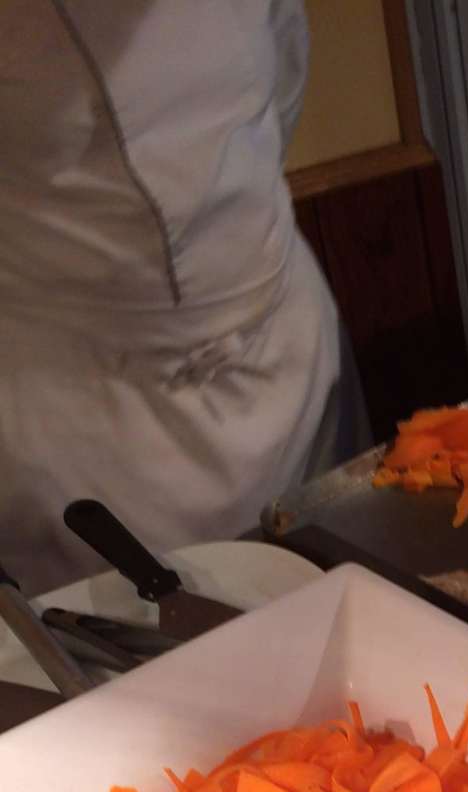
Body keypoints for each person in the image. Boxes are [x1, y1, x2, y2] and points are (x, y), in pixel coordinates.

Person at [0, 0, 368, 595]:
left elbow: (283, 64)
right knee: (156, 637)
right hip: (86, 420)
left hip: (283, 342)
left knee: (354, 595)